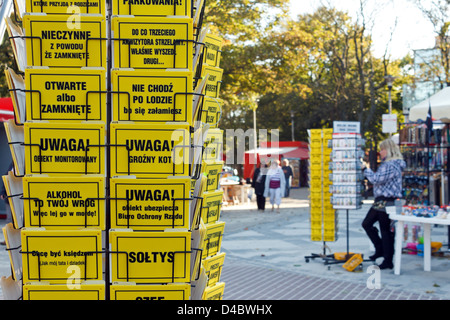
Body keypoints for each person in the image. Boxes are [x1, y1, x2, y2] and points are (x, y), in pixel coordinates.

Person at [361, 139, 406, 270]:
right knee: (372, 225)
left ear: (389, 150)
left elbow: (376, 179)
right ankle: (382, 251)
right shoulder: (394, 164)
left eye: (382, 149)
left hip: (386, 201)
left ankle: (387, 259)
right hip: (388, 200)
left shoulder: (390, 165)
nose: (380, 152)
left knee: (385, 230)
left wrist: (365, 169)